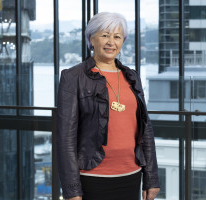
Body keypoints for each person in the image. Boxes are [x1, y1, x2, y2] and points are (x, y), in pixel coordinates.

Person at [57, 12, 160, 200]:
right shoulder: (73, 77)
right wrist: (72, 190)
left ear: (122, 42)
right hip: (91, 177)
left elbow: (146, 129)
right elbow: (66, 139)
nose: (111, 42)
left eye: (117, 37)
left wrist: (151, 177)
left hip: (131, 175)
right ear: (91, 39)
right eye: (105, 35)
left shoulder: (132, 77)